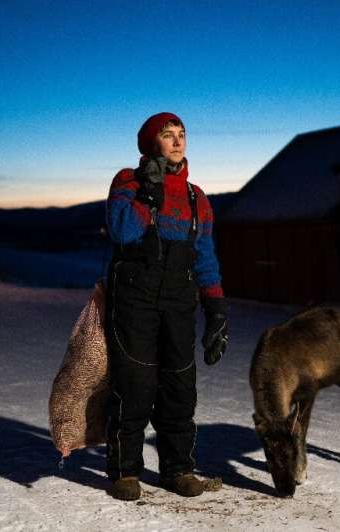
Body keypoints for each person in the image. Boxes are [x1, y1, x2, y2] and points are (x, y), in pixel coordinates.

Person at [104, 112, 229, 501]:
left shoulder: (197, 198)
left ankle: (178, 470)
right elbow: (122, 230)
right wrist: (148, 193)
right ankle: (125, 471)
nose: (177, 141)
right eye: (167, 135)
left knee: (179, 386)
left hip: (179, 298)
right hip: (135, 296)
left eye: (181, 135)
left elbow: (204, 256)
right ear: (149, 143)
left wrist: (216, 310)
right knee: (136, 382)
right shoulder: (128, 180)